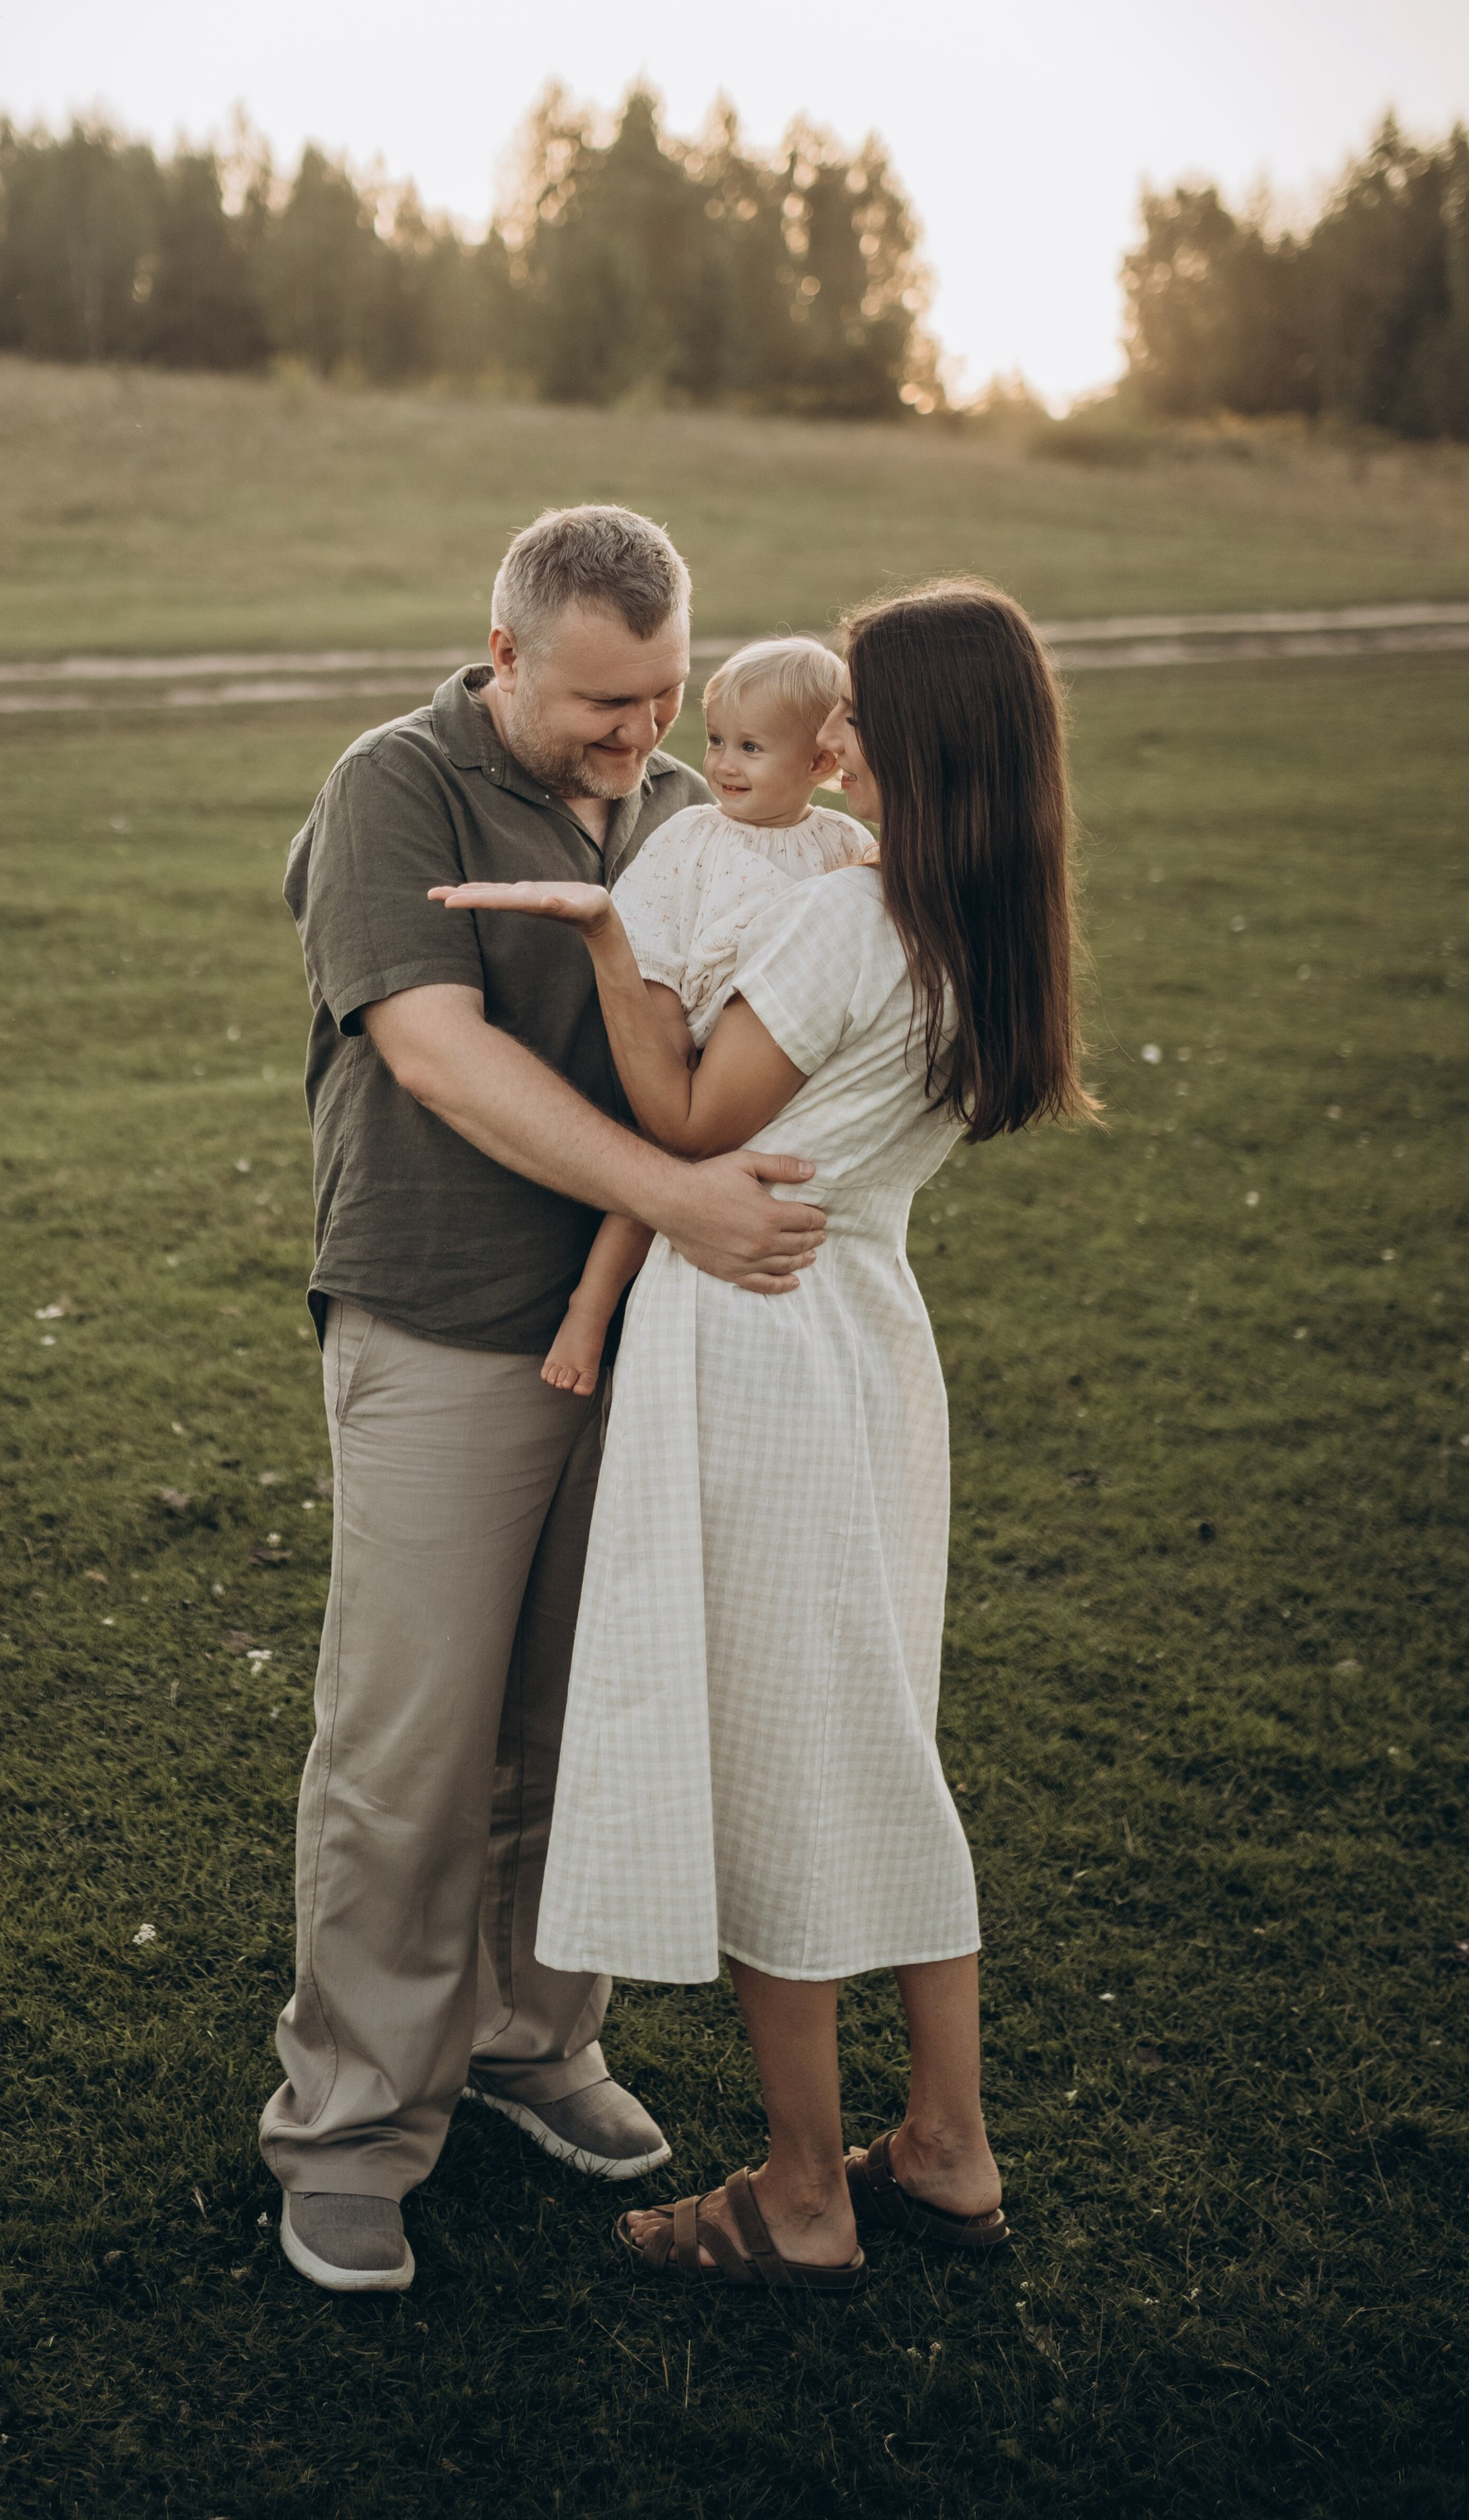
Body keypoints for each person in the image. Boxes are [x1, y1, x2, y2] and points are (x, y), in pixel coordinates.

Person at [436, 580, 1091, 2294]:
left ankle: (806, 2185)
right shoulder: (988, 929)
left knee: (772, 1763)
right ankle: (942, 2144)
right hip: (868, 1335)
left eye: (863, 709)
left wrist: (600, 938)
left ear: (919, 739)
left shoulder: (845, 925)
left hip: (751, 1346)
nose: (834, 733)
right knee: (872, 1740)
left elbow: (677, 1118)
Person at [262, 504, 831, 2294]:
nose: (639, 736)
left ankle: (528, 2036)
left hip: (648, 1336)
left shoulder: (687, 804)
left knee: (582, 1716)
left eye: (663, 695)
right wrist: (674, 1199)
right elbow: (434, 1049)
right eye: (599, 702)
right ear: (499, 655)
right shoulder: (395, 785)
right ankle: (352, 2124)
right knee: (409, 1747)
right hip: (443, 1321)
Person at [538, 635, 872, 1399]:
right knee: (666, 1168)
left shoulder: (843, 843)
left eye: (751, 747)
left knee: (754, 1184)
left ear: (820, 764)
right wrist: (667, 1045)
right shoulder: (694, 835)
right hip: (689, 1037)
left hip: (783, 1050)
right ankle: (588, 1312)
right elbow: (646, 938)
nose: (721, 764)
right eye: (716, 739)